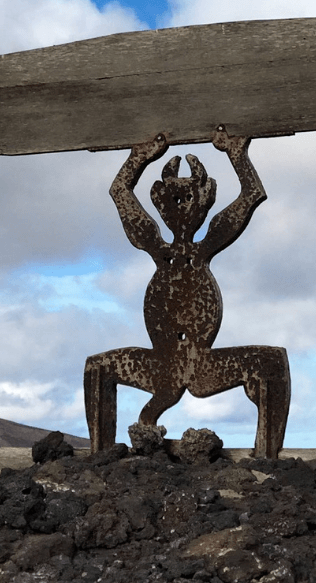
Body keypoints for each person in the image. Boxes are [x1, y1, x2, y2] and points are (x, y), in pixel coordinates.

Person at [84, 126, 290, 457]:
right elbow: (119, 191)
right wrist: (140, 156)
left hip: (204, 364)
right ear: (159, 201)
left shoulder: (208, 243)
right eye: (171, 198)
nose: (180, 204)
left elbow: (251, 194)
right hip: (159, 363)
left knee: (270, 361)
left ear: (204, 200)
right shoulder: (153, 242)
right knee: (99, 366)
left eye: (189, 196)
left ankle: (266, 457)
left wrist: (236, 153)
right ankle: (100, 453)